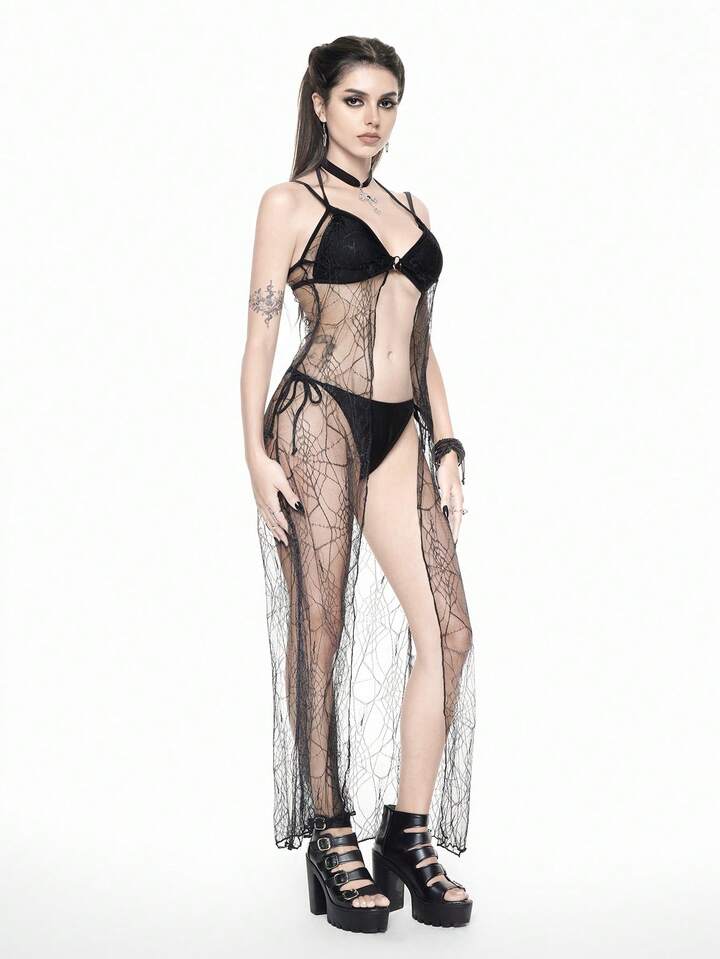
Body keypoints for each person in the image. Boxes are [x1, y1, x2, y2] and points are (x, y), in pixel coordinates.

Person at [241, 35, 476, 933]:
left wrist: (447, 441)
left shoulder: (410, 207)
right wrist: (253, 453)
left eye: (386, 102)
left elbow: (422, 340)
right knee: (321, 628)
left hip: (399, 430)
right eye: (354, 101)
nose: (372, 118)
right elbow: (261, 335)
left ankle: (406, 833)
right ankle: (330, 832)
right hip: (318, 420)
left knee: (449, 631)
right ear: (320, 105)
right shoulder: (289, 202)